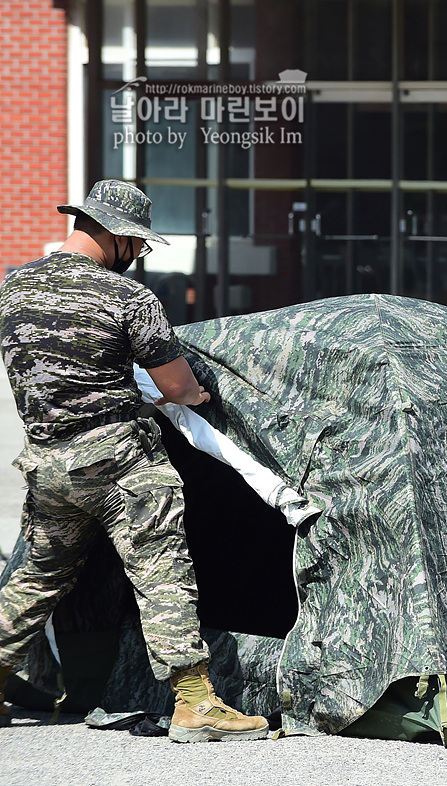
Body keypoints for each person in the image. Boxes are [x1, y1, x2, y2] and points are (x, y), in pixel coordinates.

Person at [0, 180, 269, 742]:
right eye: (138, 247)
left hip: (48, 461)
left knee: (37, 578)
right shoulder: (127, 300)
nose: (138, 258)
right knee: (162, 570)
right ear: (119, 237)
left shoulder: (15, 284)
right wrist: (192, 395)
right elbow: (175, 383)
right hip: (120, 461)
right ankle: (196, 704)